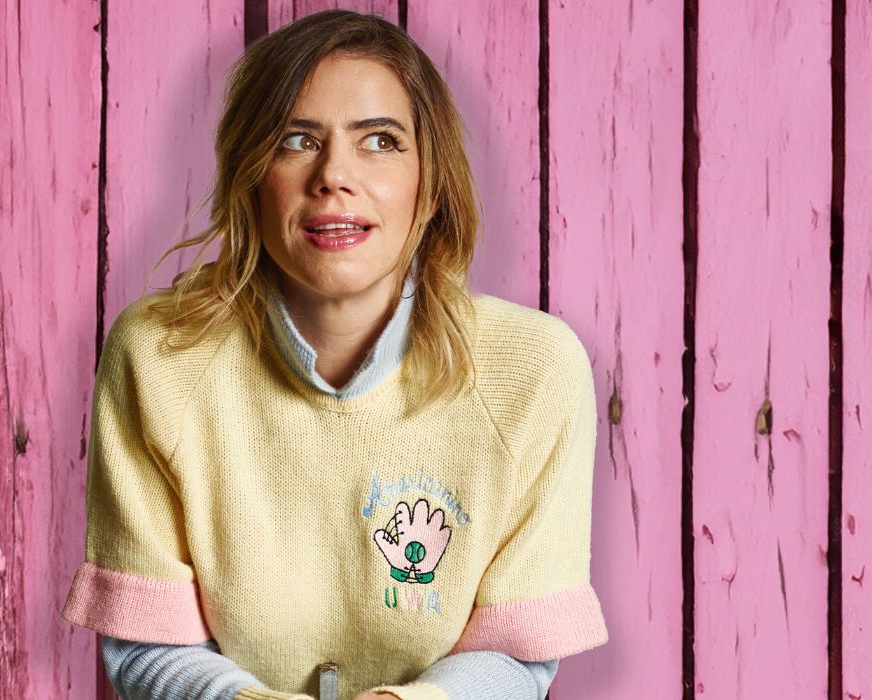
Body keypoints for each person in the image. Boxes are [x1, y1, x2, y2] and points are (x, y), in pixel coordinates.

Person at [61, 9, 608, 700]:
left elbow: (512, 653)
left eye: (380, 140)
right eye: (296, 139)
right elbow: (152, 649)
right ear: (250, 178)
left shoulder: (534, 373)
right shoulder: (156, 361)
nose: (334, 176)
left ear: (430, 184)